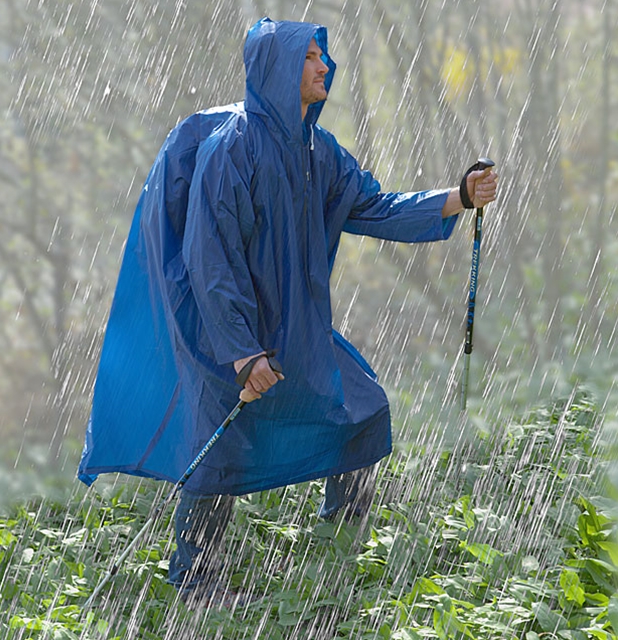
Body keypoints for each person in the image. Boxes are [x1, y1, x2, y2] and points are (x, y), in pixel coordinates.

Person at [78, 17, 498, 604]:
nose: (324, 66)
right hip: (225, 336)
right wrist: (242, 352)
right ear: (277, 70)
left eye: (322, 57)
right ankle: (198, 582)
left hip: (297, 330)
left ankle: (336, 553)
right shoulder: (231, 152)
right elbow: (210, 261)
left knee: (362, 411)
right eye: (310, 58)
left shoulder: (317, 151)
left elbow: (373, 206)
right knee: (220, 452)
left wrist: (456, 196)